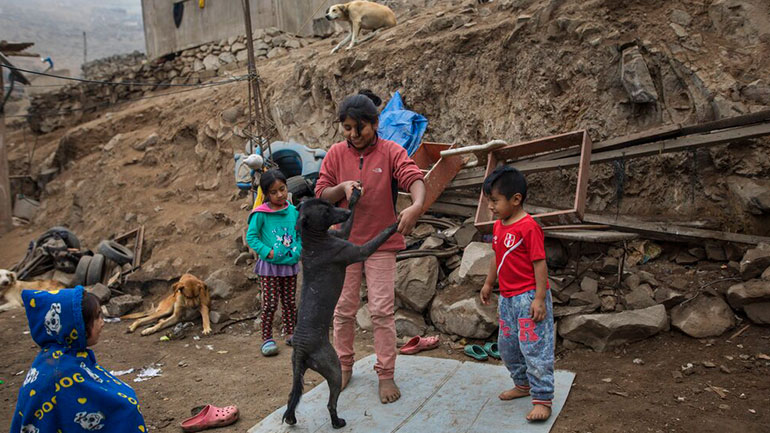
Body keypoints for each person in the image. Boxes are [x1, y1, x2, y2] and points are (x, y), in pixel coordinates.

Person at [314, 89, 426, 404]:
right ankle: (344, 365)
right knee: (343, 309)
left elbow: (413, 178)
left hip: (381, 242)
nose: (353, 134)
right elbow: (322, 192)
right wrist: (342, 188)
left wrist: (416, 206)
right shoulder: (336, 153)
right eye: (347, 128)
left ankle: (386, 374)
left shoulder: (391, 151)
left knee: (381, 311)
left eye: (358, 127)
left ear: (375, 123)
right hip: (344, 244)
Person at [10, 287, 147, 432]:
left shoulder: (57, 356)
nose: (102, 323)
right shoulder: (61, 373)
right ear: (77, 325)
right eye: (97, 317)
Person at [479, 165, 554, 422]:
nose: (490, 206)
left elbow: (539, 263)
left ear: (516, 199)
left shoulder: (529, 227)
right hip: (508, 298)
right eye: (489, 201)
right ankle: (522, 384)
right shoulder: (500, 226)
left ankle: (543, 398)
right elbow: (496, 256)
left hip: (528, 296)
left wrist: (540, 298)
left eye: (494, 201)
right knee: (508, 345)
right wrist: (489, 283)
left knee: (535, 347)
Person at [246, 169, 301, 356]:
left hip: (290, 264)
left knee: (289, 302)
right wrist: (267, 252)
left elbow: (300, 233)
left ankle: (291, 333)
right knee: (269, 304)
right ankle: (267, 338)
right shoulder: (260, 214)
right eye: (273, 192)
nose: (279, 195)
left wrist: (298, 250)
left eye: (282, 189)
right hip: (269, 267)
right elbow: (251, 237)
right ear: (266, 194)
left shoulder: (293, 211)